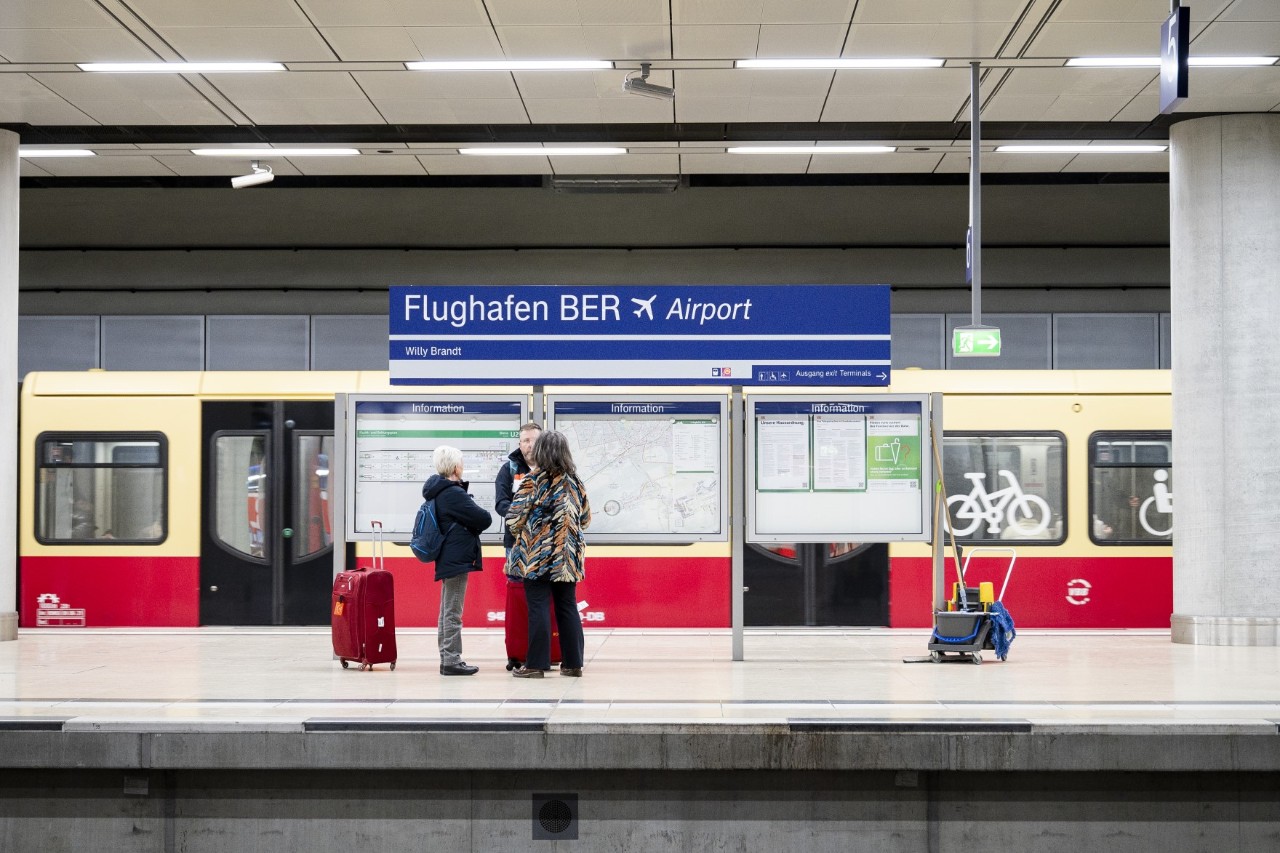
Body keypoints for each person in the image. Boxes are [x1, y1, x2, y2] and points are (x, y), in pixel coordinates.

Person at [505, 430, 591, 678]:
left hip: (537, 557)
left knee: (539, 607)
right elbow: (585, 519)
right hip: (567, 557)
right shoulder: (575, 481)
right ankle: (573, 664)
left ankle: (536, 664)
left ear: (541, 452)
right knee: (567, 607)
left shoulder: (533, 481)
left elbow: (513, 520)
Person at [421, 445, 493, 676]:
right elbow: (484, 518)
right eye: (461, 463)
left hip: (448, 557)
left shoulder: (439, 491)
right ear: (454, 467)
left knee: (447, 609)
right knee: (452, 610)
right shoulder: (452, 493)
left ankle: (447, 657)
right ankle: (451, 660)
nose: (463, 467)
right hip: (456, 558)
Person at [494, 421, 542, 562]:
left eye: (535, 440)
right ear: (519, 444)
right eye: (526, 440)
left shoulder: (551, 469)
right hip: (516, 542)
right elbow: (501, 503)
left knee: (542, 584)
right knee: (516, 583)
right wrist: (526, 516)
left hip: (546, 542)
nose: (531, 445)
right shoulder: (508, 469)